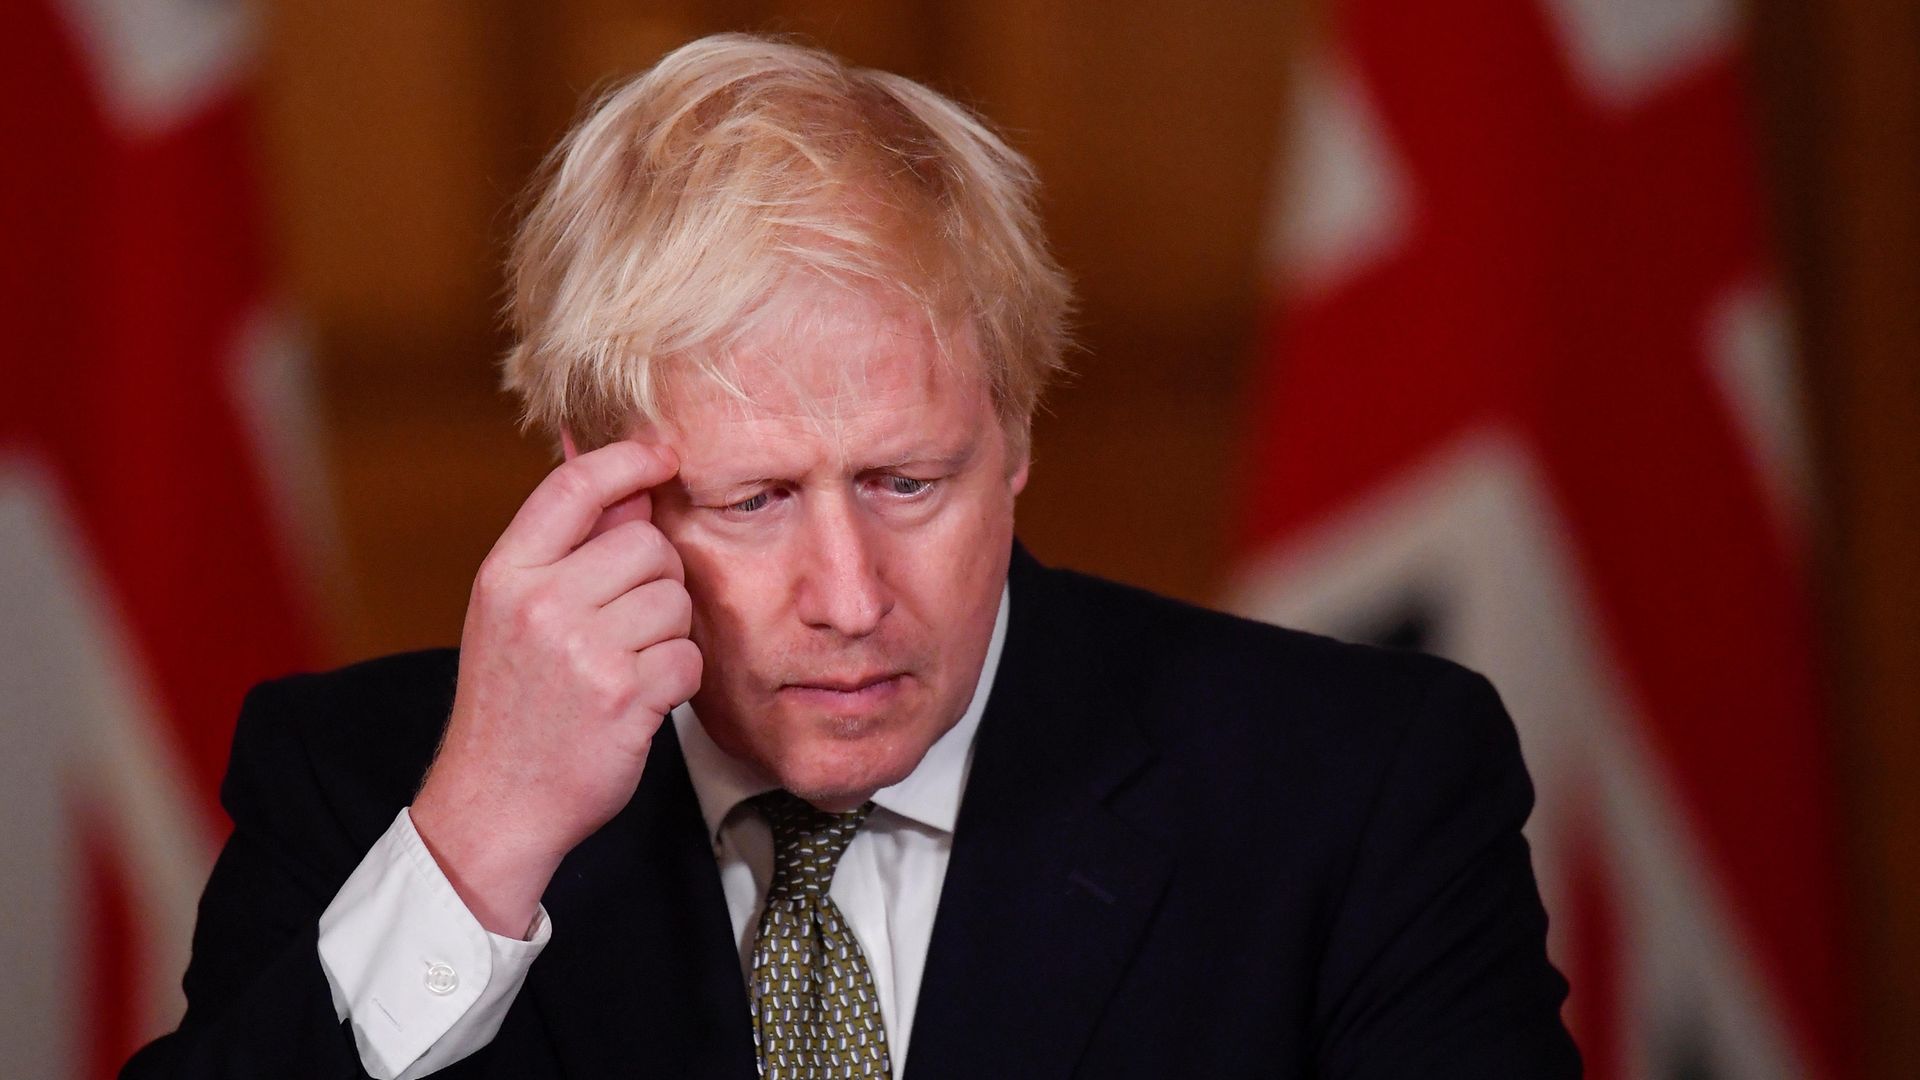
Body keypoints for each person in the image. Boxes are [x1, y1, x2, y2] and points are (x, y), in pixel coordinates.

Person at [124, 32, 1578, 1080]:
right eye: (753, 500)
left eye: (906, 479)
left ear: (1012, 434)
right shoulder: (367, 793)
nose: (850, 597)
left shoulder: (1359, 785)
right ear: (596, 494)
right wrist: (479, 849)